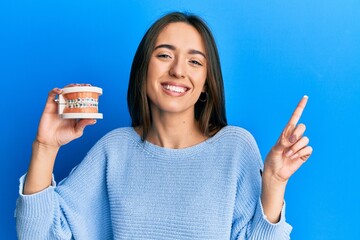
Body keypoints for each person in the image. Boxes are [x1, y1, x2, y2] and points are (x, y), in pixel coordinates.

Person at [15, 12, 312, 239]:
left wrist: (274, 182)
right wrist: (46, 146)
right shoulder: (114, 149)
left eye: (194, 62)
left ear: (207, 84)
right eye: (164, 55)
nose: (178, 70)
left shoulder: (235, 147)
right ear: (144, 70)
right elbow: (37, 234)